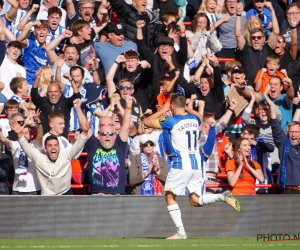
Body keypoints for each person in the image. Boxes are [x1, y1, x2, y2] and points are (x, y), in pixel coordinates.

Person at [144, 94, 240, 239]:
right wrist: (187, 107)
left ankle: (181, 232)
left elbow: (148, 121)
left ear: (171, 106)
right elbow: (199, 115)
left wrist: (163, 109)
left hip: (180, 164)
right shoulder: (194, 119)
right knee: (195, 200)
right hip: (196, 165)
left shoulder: (171, 121)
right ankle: (222, 196)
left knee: (170, 197)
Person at [11, 101, 90, 195]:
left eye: (55, 145)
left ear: (59, 148)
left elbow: (78, 146)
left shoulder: (66, 155)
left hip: (66, 193)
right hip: (47, 197)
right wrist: (19, 134)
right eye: (50, 145)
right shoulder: (39, 158)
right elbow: (26, 147)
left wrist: (85, 132)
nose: (53, 148)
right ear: (45, 149)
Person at [85, 95, 134, 195]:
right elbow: (85, 128)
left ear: (114, 135)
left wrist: (128, 106)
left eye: (110, 133)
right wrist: (78, 108)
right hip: (97, 194)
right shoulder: (94, 144)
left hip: (115, 194)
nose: (107, 136)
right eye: (104, 133)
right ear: (99, 133)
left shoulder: (119, 144)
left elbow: (125, 126)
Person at [235, 1, 279, 86]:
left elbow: (276, 32)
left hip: (267, 89)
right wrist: (238, 15)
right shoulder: (246, 49)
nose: (256, 39)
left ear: (263, 39)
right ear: (250, 39)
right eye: (253, 37)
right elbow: (238, 34)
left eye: (259, 37)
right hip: (249, 88)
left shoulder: (268, 48)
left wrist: (272, 11)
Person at [31, 68, 81, 138]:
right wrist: (37, 79)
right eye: (50, 92)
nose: (53, 94)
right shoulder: (43, 102)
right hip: (46, 140)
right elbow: (34, 95)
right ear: (47, 93)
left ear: (60, 93)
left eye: (55, 91)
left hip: (62, 140)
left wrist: (71, 79)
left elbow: (77, 97)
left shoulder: (65, 103)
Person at [0, 112, 41, 195]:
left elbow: (40, 136)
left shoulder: (35, 145)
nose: (24, 135)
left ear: (31, 135)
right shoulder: (15, 145)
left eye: (26, 133)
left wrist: (39, 123)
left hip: (33, 189)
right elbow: (3, 139)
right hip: (17, 189)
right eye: (22, 133)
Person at [269, 100, 300, 193]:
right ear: (287, 133)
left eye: (297, 132)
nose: (294, 134)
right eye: (291, 132)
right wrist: (271, 107)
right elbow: (275, 126)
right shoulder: (283, 143)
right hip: (287, 189)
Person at [17, 20, 50, 86]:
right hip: (28, 82)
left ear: (48, 33)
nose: (41, 32)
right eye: (38, 29)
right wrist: (31, 25)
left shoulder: (49, 49)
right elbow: (18, 40)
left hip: (41, 84)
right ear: (34, 32)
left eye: (44, 29)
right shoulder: (31, 43)